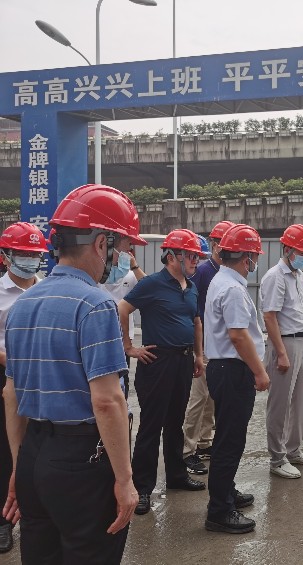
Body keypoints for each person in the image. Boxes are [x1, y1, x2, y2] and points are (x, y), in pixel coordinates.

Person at [2, 184, 143, 563]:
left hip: (33, 454)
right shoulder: (96, 305)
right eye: (124, 248)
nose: (125, 258)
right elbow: (107, 401)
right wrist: (125, 480)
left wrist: (19, 466)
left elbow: (11, 394)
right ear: (101, 244)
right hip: (81, 462)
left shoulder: (23, 305)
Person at [119, 228, 207, 516]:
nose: (195, 261)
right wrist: (129, 347)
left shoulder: (190, 286)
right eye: (190, 256)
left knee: (175, 421)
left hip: (183, 360)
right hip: (158, 362)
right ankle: (142, 487)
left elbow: (196, 321)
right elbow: (122, 309)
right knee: (151, 425)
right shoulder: (152, 284)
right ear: (172, 256)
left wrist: (198, 355)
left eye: (196, 256)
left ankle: (176, 476)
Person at [203, 224, 270, 533]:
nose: (255, 261)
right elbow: (239, 336)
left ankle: (225, 491)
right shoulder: (232, 288)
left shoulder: (223, 280)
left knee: (227, 436)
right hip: (232, 370)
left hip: (224, 369)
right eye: (255, 256)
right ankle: (219, 510)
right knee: (230, 441)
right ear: (246, 258)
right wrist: (259, 371)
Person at [0, 222, 47, 554]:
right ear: (5, 256)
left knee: (39, 445)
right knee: (5, 450)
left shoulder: (46, 289)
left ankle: (36, 510)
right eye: (22, 253)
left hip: (42, 377)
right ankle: (4, 522)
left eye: (34, 254)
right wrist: (16, 360)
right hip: (6, 375)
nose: (29, 260)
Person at [260, 224, 303, 479]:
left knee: (300, 399)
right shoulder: (275, 276)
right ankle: (277, 458)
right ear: (287, 249)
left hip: (302, 341)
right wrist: (281, 353)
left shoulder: (298, 275)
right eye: (301, 252)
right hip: (285, 343)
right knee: (280, 403)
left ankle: (293, 450)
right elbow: (270, 316)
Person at [183, 220, 235, 476]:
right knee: (198, 398)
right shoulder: (204, 271)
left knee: (210, 398)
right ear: (214, 244)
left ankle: (204, 442)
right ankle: (187, 450)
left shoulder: (223, 271)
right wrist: (198, 348)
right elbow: (194, 310)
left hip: (217, 344)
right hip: (202, 344)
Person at [99, 235, 146, 400]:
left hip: (122, 341)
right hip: (99, 340)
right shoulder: (95, 273)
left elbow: (150, 288)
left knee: (121, 385)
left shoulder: (129, 275)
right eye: (126, 250)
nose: (129, 253)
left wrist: (135, 266)